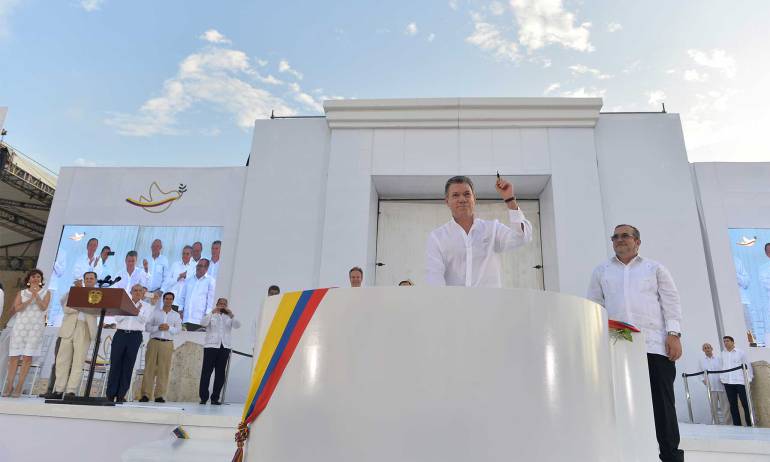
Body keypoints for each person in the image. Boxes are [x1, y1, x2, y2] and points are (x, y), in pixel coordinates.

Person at [587, 224, 683, 462]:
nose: (620, 240)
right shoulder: (602, 271)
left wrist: (674, 334)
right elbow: (594, 307)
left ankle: (670, 456)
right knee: (616, 405)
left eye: (625, 236)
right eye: (615, 237)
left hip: (654, 347)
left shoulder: (655, 269)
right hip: (616, 349)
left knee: (663, 406)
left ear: (637, 242)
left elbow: (671, 303)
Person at [425, 175, 532, 287]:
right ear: (447, 201)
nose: (462, 199)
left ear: (474, 199)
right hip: (454, 303)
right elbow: (434, 278)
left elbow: (522, 237)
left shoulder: (492, 229)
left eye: (467, 194)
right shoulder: (437, 237)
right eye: (455, 195)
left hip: (489, 303)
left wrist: (510, 200)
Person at [3, 269, 51, 397]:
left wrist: (36, 295)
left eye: (38, 277)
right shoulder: (22, 293)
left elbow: (43, 307)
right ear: (29, 279)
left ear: (41, 280)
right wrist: (30, 299)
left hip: (35, 329)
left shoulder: (46, 293)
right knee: (14, 357)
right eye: (33, 276)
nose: (36, 279)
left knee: (27, 358)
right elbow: (17, 308)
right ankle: (9, 385)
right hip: (20, 328)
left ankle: (19, 386)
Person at [51, 272, 99, 399]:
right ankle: (59, 389)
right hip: (69, 327)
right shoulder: (74, 291)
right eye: (87, 278)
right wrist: (79, 302)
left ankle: (71, 390)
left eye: (91, 278)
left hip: (84, 328)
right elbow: (66, 308)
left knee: (78, 361)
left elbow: (96, 311)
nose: (89, 280)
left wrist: (78, 307)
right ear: (83, 280)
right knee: (62, 360)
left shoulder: (99, 295)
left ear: (95, 281)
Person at [106, 284, 153, 403]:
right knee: (115, 364)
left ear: (143, 293)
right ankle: (111, 394)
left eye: (140, 291)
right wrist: (130, 309)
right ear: (131, 292)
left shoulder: (147, 306)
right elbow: (118, 318)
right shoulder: (123, 303)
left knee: (128, 365)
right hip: (121, 334)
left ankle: (121, 395)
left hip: (135, 336)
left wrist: (137, 312)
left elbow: (144, 320)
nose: (137, 292)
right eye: (135, 290)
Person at [140, 292, 182, 403]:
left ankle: (160, 395)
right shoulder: (155, 312)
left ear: (173, 301)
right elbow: (147, 327)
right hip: (154, 342)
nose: (168, 301)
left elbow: (178, 330)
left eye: (170, 299)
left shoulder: (176, 315)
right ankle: (145, 395)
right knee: (149, 369)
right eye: (166, 298)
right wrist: (158, 327)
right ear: (163, 300)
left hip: (167, 344)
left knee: (164, 370)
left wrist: (169, 328)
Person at [199, 297, 240, 404]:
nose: (222, 306)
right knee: (206, 372)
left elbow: (237, 325)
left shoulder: (229, 316)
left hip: (224, 346)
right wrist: (212, 312)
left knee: (220, 373)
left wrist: (231, 315)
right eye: (220, 304)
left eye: (224, 304)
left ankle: (215, 398)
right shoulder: (211, 314)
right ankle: (203, 397)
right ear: (217, 304)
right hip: (211, 346)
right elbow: (203, 323)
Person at [721, 335, 754, 426]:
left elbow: (747, 366)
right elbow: (722, 366)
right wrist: (722, 378)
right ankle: (737, 425)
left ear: (733, 342)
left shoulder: (741, 353)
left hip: (740, 382)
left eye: (727, 341)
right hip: (728, 383)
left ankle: (750, 424)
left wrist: (749, 379)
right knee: (733, 405)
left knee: (745, 404)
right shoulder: (723, 353)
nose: (726, 343)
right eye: (724, 341)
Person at [178, 258, 216, 331]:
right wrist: (180, 311)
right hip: (186, 318)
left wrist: (207, 316)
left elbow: (210, 301)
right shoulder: (189, 280)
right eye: (198, 265)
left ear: (206, 268)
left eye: (201, 266)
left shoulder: (211, 281)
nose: (198, 267)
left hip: (199, 320)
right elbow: (182, 297)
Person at [700, 342, 730, 425]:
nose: (707, 349)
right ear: (703, 350)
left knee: (726, 407)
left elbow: (724, 368)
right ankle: (716, 424)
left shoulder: (719, 358)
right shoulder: (702, 361)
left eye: (708, 347)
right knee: (713, 408)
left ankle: (728, 423)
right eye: (705, 348)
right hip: (711, 388)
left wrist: (724, 379)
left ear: (712, 348)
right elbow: (700, 373)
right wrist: (704, 381)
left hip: (721, 386)